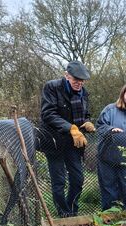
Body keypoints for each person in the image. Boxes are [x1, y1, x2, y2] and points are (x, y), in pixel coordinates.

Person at [37, 60, 94, 218]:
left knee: (78, 179)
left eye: (82, 80)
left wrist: (87, 122)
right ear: (66, 75)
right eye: (76, 79)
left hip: (73, 143)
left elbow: (84, 114)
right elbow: (48, 114)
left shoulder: (84, 93)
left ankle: (72, 209)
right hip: (53, 141)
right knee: (59, 180)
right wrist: (71, 128)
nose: (79, 83)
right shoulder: (52, 87)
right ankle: (63, 213)